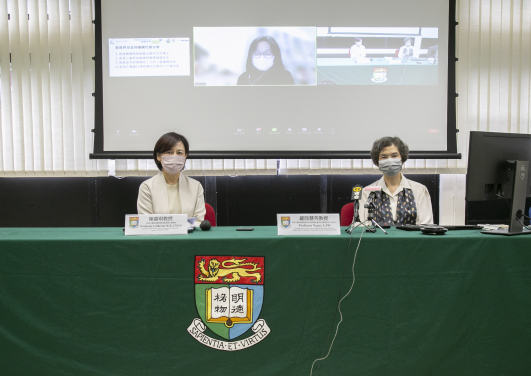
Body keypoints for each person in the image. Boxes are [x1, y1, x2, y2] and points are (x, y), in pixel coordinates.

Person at [359, 137, 433, 225]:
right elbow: (361, 227)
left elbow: (426, 226)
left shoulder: (420, 190)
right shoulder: (366, 192)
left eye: (394, 156)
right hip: (377, 238)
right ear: (377, 162)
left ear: (402, 159)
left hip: (411, 239)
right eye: (384, 157)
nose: (390, 160)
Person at [137, 132, 206, 226]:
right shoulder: (147, 187)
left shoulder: (196, 186)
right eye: (169, 152)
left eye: (179, 153)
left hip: (188, 238)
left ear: (185, 156)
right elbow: (146, 223)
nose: (175, 156)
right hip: (158, 239)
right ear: (158, 156)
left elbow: (199, 221)